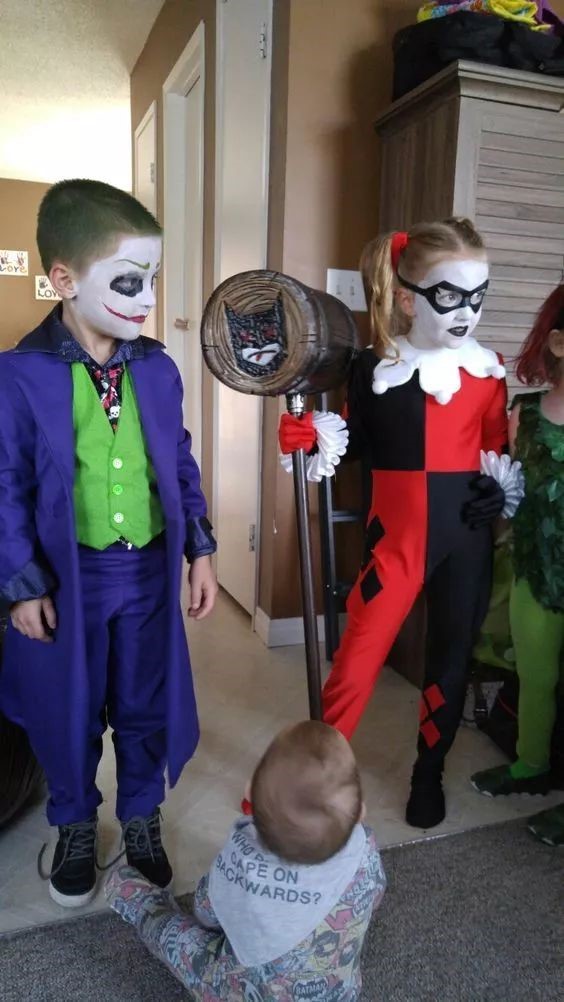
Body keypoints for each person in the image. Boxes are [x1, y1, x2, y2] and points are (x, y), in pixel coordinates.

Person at [0, 179, 218, 907]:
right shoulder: (18, 375)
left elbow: (178, 461)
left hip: (147, 572)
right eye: (129, 281)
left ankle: (141, 813)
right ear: (65, 280)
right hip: (68, 577)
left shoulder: (157, 367)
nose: (148, 297)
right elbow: (4, 486)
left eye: (153, 278)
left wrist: (200, 548)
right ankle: (73, 821)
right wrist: (21, 583)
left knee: (145, 698)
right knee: (68, 704)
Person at [279, 219, 523, 829]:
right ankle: (315, 777)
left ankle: (428, 773)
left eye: (478, 295)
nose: (467, 311)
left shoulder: (488, 371)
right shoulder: (371, 368)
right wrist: (312, 436)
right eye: (450, 295)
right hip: (394, 545)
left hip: (466, 544)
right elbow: (354, 444)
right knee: (356, 661)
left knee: (450, 662)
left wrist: (497, 490)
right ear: (409, 298)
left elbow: (495, 453)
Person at [106, 720, 386, 1001]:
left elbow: (206, 912)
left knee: (174, 937)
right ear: (360, 813)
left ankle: (136, 899)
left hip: (244, 990)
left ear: (250, 792)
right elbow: (374, 894)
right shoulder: (364, 849)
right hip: (340, 993)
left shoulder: (244, 864)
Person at [471, 284, 564, 847]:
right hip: (535, 567)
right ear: (557, 342)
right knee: (536, 673)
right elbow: (505, 489)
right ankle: (531, 764)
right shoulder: (524, 414)